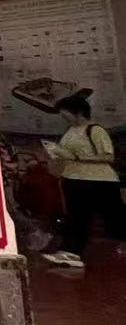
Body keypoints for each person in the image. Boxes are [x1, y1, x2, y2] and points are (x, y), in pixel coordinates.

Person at [45, 94, 118, 268]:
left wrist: (78, 158)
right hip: (73, 178)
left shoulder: (95, 130)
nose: (63, 117)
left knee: (113, 218)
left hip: (98, 180)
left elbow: (108, 156)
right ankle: (70, 252)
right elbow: (67, 153)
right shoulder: (70, 130)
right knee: (76, 217)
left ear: (78, 112)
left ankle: (72, 251)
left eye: (65, 113)